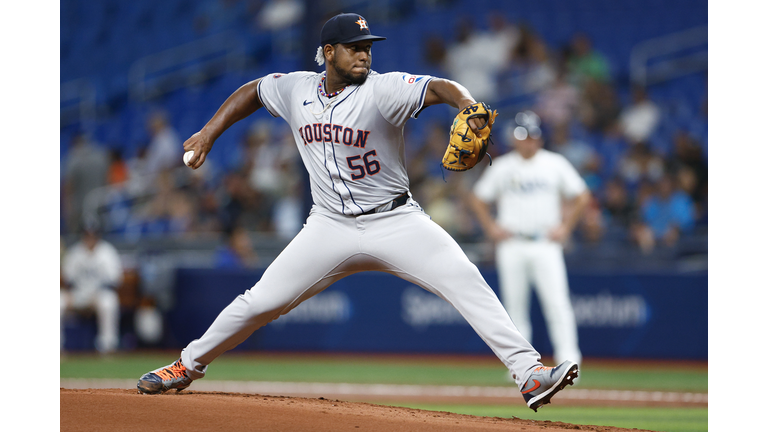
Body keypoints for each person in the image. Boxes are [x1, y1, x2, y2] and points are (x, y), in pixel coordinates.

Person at [136, 13, 578, 412]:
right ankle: (186, 366)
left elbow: (440, 87)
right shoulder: (297, 89)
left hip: (396, 220)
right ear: (329, 52)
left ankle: (530, 374)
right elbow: (254, 90)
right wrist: (210, 132)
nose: (365, 55)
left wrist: (469, 109)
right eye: (355, 47)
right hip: (327, 226)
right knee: (258, 303)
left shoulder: (384, 90)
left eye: (368, 47)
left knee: (467, 282)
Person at [468, 111, 590, 372]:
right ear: (514, 138)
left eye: (533, 136)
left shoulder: (554, 163)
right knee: (514, 309)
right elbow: (478, 198)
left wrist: (566, 227)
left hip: (545, 243)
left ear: (540, 138)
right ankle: (520, 368)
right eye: (523, 137)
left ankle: (570, 364)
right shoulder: (503, 166)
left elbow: (581, 195)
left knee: (557, 305)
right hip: (512, 243)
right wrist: (491, 227)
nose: (528, 142)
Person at [60, 220, 123, 354]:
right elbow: (67, 279)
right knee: (58, 301)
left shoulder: (107, 252)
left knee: (109, 302)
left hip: (99, 294)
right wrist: (70, 294)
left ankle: (107, 346)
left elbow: (115, 281)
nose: (90, 238)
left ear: (98, 236)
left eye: (93, 235)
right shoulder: (75, 252)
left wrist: (96, 295)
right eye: (87, 235)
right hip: (79, 294)